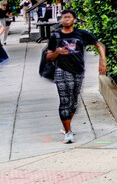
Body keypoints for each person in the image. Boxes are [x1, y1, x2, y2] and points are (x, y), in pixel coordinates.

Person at [43, 9, 108, 144]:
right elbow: (48, 56)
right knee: (65, 100)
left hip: (78, 70)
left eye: (69, 17)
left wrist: (103, 61)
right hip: (62, 70)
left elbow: (99, 45)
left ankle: (66, 124)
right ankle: (68, 132)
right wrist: (58, 52)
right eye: (63, 17)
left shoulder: (81, 34)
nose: (66, 19)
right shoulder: (55, 36)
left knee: (73, 102)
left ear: (74, 20)